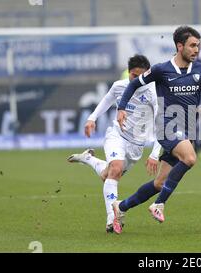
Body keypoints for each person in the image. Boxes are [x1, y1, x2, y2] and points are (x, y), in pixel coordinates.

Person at [113, 25, 201, 230]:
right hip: (167, 126)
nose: (196, 50)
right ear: (180, 46)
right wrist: (122, 107)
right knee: (190, 158)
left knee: (160, 183)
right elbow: (134, 84)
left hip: (188, 130)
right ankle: (159, 205)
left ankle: (121, 206)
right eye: (192, 45)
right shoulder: (162, 69)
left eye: (198, 45)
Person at [67, 54, 161, 234]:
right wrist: (92, 118)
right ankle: (112, 218)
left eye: (141, 76)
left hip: (137, 145)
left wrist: (154, 154)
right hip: (117, 135)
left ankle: (88, 158)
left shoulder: (153, 94)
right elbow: (106, 101)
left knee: (107, 175)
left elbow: (160, 126)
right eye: (134, 75)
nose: (138, 79)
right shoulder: (120, 86)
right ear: (129, 73)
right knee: (116, 169)